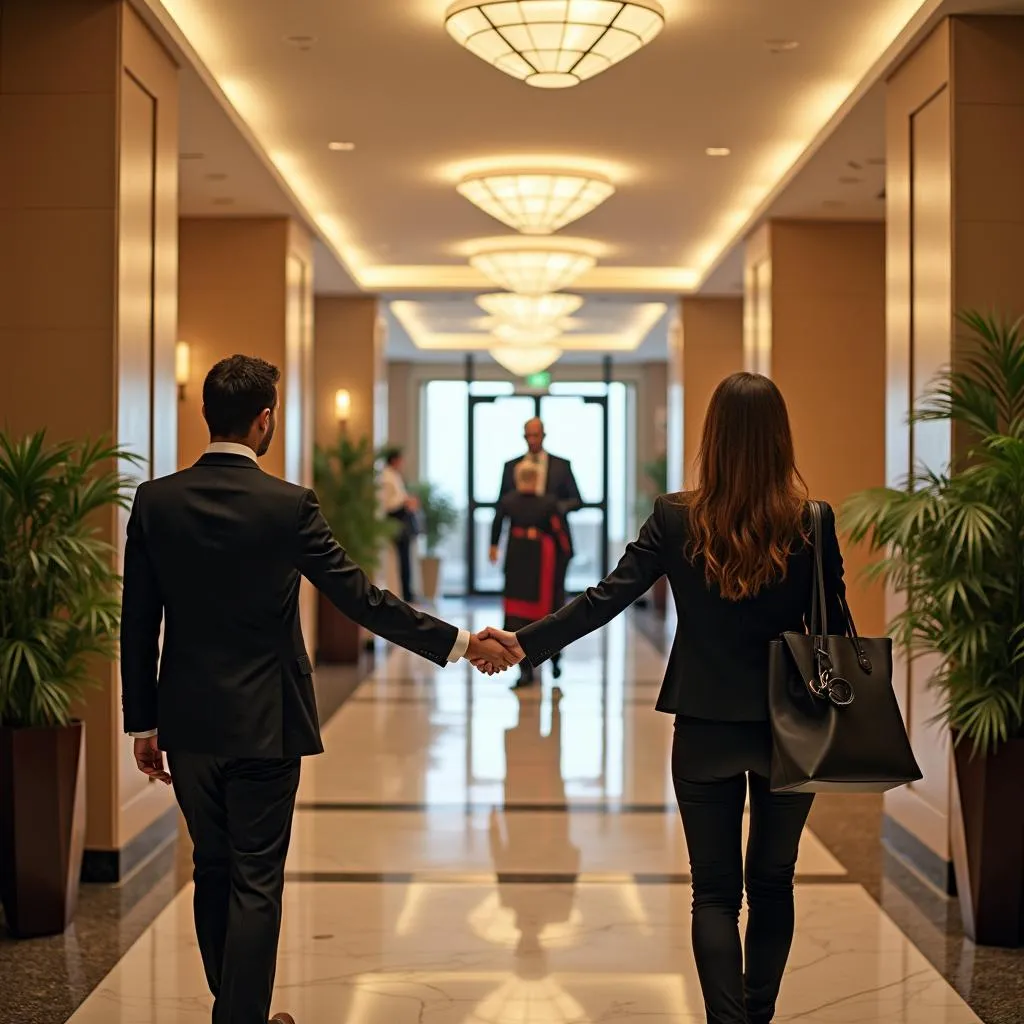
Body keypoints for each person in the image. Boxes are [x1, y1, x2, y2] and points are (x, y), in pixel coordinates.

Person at [120, 355, 514, 1024]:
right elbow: (362, 600)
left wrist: (143, 723)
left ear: (206, 414)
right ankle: (240, 1017)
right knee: (256, 879)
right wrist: (461, 644)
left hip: (188, 721)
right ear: (264, 419)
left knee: (213, 870)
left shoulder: (157, 501)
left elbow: (138, 620)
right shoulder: (287, 504)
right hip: (267, 721)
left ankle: (231, 1009)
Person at [477, 372, 848, 1024]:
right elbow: (836, 626)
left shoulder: (678, 518)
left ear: (714, 439)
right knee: (773, 882)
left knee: (713, 894)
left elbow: (606, 598)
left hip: (704, 720)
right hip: (792, 725)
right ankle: (756, 1016)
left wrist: (525, 642)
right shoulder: (812, 522)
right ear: (779, 440)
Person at [498, 417, 582, 678]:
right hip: (521, 550)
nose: (532, 440)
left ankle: (555, 655)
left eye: (536, 435)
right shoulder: (511, 466)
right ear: (524, 437)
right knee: (520, 606)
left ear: (544, 435)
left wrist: (555, 506)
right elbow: (501, 505)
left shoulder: (561, 466)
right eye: (528, 436)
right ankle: (524, 667)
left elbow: (577, 500)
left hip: (554, 547)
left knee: (555, 605)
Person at [489, 460, 570, 689]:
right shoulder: (547, 502)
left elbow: (497, 523)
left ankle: (530, 670)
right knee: (544, 615)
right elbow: (561, 536)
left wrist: (493, 547)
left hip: (522, 562)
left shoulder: (512, 501)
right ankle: (551, 660)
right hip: (537, 563)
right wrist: (565, 557)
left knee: (521, 617)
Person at [379, 446, 418, 601]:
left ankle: (408, 592)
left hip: (402, 517)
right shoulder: (386, 477)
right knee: (401, 559)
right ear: (395, 460)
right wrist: (405, 501)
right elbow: (388, 503)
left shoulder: (394, 475)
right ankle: (405, 594)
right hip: (396, 519)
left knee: (405, 558)